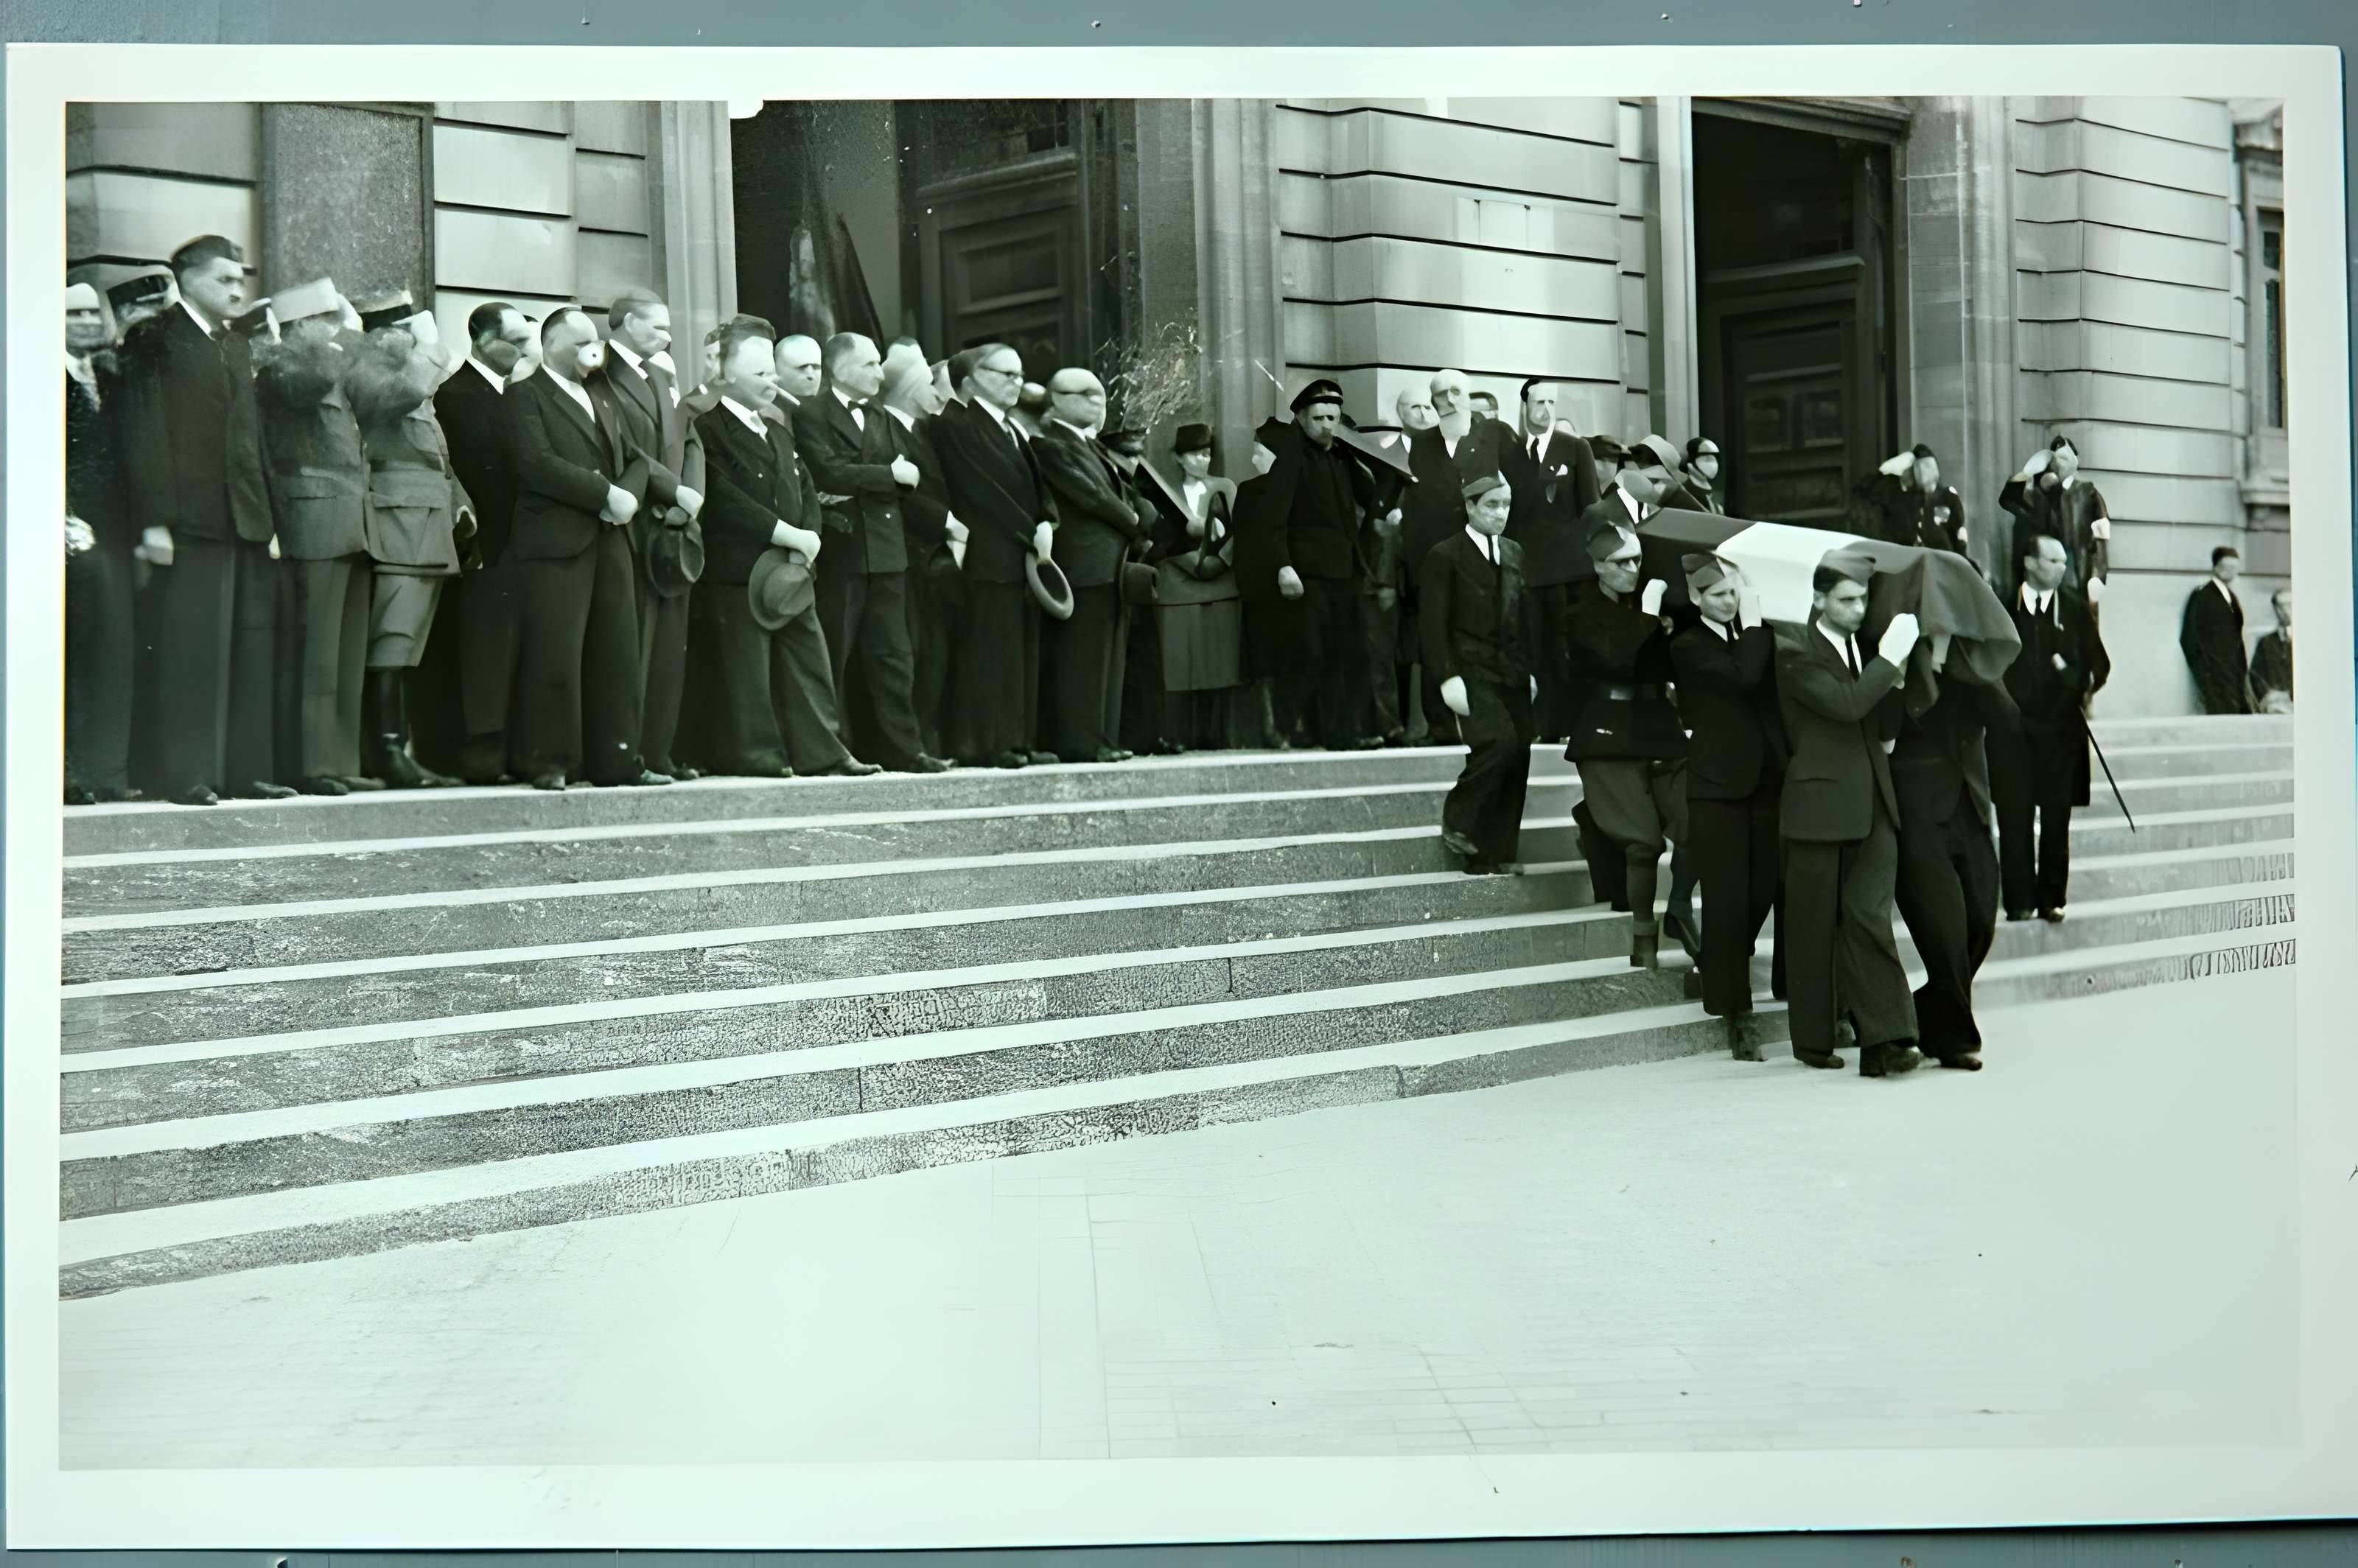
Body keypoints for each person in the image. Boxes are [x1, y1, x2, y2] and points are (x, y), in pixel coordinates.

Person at [112, 234, 290, 806]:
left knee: (248, 648)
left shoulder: (235, 344)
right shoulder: (154, 338)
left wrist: (269, 519)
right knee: (191, 649)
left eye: (241, 279)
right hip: (189, 518)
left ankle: (244, 771)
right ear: (185, 278)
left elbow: (251, 438)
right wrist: (156, 520)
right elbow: (143, 433)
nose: (236, 288)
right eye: (223, 278)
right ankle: (185, 773)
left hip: (244, 519)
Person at [688, 316, 875, 779]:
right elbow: (725, 498)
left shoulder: (778, 431)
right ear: (727, 375)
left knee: (809, 658)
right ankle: (760, 755)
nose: (771, 383)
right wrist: (784, 533)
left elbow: (805, 486)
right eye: (760, 375)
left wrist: (809, 535)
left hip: (791, 568)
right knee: (746, 668)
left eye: (772, 373)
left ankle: (825, 752)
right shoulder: (707, 429)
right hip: (741, 570)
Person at [504, 304, 677, 791]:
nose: (591, 350)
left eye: (593, 340)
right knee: (555, 652)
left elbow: (636, 458)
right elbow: (535, 463)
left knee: (617, 651)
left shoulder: (602, 396)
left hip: (609, 538)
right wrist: (604, 495)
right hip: (558, 540)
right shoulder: (525, 395)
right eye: (579, 341)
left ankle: (618, 759)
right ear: (551, 343)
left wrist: (627, 497)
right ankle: (552, 761)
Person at [1777, 551, 1924, 1077]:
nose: (1858, 608)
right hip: (1819, 803)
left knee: (1868, 913)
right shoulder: (1794, 650)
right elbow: (1845, 704)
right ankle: (1814, 1040)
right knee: (1814, 924)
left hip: (1872, 799)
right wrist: (1889, 662)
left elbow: (1877, 719)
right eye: (1847, 599)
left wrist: (1896, 677)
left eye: (1863, 599)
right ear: (1819, 600)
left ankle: (1890, 1038)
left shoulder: (1863, 648)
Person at [796, 332, 950, 773]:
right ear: (840, 368)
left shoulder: (880, 416)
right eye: (870, 365)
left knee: (893, 655)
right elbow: (826, 471)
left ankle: (904, 749)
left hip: (886, 550)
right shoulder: (810, 412)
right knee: (836, 651)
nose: (880, 374)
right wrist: (887, 474)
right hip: (844, 549)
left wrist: (882, 476)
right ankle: (831, 749)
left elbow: (910, 477)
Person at [252, 278, 379, 797]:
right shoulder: (283, 366)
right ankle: (311, 763)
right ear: (300, 325)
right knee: (318, 652)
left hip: (346, 518)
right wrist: (348, 335)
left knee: (345, 654)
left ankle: (338, 760)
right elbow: (311, 382)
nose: (334, 330)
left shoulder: (324, 363)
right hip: (313, 519)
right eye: (324, 320)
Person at [345, 295, 471, 788]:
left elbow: (436, 457)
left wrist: (461, 502)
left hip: (425, 527)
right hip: (398, 527)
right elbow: (407, 392)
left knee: (407, 647)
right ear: (380, 335)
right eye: (406, 328)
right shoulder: (370, 373)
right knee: (390, 646)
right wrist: (432, 346)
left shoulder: (404, 379)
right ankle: (388, 754)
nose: (416, 337)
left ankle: (399, 752)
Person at [1666, 555, 1787, 1057]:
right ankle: (1737, 1013)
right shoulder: (1689, 645)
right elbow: (1742, 679)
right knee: (1727, 898)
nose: (1730, 601)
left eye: (1733, 592)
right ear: (1696, 599)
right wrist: (1756, 626)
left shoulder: (1750, 639)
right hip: (1717, 789)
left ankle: (1722, 963)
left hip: (1763, 783)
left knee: (1761, 891)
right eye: (1717, 595)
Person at [1564, 519, 1691, 970]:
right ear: (1599, 566)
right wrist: (1649, 617)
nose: (1633, 569)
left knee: (1699, 827)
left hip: (1659, 726)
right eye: (1621, 562)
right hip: (1608, 734)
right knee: (1643, 845)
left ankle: (1678, 910)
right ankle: (1644, 940)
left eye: (1637, 559)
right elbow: (1616, 660)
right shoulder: (1581, 612)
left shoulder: (1653, 602)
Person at [930, 341, 1060, 769]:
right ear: (971, 381)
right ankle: (988, 742)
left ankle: (1019, 738)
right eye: (1005, 374)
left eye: (1019, 375)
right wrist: (1030, 533)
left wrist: (1047, 521)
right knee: (990, 651)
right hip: (990, 554)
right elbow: (981, 489)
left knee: (1020, 651)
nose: (1016, 383)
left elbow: (1037, 486)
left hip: (1021, 553)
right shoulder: (957, 424)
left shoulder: (1013, 427)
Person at [1890, 630, 2015, 1071]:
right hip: (1916, 813)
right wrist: (1918, 662)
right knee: (1943, 930)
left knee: (1981, 920)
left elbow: (2007, 718)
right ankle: (1956, 1039)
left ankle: (1925, 1012)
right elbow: (1901, 716)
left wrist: (1975, 666)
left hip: (1969, 807)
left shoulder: (1970, 662)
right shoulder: (1894, 650)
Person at [601, 288, 709, 780]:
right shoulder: (602, 372)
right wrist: (673, 492)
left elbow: (689, 438)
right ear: (625, 323)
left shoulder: (664, 373)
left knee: (670, 643)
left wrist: (694, 495)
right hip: (640, 520)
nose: (668, 337)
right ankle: (633, 753)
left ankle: (660, 750)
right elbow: (621, 446)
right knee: (636, 643)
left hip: (677, 525)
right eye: (658, 327)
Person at [1032, 367, 1156, 763]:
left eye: (1100, 394)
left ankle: (1102, 735)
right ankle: (1079, 740)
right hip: (1082, 563)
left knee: (1108, 657)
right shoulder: (1051, 443)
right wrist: (1134, 524)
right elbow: (1090, 497)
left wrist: (1140, 520)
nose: (1097, 401)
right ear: (1057, 399)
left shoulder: (1091, 445)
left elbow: (1123, 492)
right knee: (1082, 658)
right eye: (1085, 393)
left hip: (1109, 563)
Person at [433, 300, 534, 783]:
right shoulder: (457, 395)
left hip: (515, 544)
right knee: (483, 653)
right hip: (487, 543)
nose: (522, 348)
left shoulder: (510, 393)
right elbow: (480, 473)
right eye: (513, 340)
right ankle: (481, 753)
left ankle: (505, 748)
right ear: (482, 340)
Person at [1990, 533, 2109, 923]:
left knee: (2057, 819)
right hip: (2013, 733)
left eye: (2063, 562)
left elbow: (2100, 667)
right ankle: (2020, 902)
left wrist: (2070, 675)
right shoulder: (2002, 605)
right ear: (2029, 563)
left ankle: (2052, 899)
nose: (2061, 569)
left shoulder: (2074, 608)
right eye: (2053, 561)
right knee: (2014, 816)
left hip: (2060, 732)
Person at [1399, 369, 1522, 741]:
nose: (1450, 400)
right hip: (1433, 554)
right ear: (1433, 402)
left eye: (1456, 392)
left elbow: (1515, 492)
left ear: (1468, 396)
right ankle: (1440, 723)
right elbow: (1415, 504)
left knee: (1487, 626)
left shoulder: (1495, 436)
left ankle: (1493, 715)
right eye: (1441, 394)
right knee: (1434, 630)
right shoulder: (1422, 443)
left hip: (1484, 548)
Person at [1424, 472, 1535, 874]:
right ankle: (1459, 816)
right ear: (1470, 507)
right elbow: (1433, 624)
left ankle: (1497, 853)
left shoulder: (1515, 552)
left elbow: (1523, 617)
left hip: (1513, 670)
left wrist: (1531, 671)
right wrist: (1447, 676)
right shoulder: (1445, 555)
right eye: (1491, 505)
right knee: (1499, 743)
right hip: (1470, 668)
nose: (1500, 514)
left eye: (1506, 505)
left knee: (1519, 754)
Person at [1267, 380, 1383, 750]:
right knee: (1310, 652)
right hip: (1306, 573)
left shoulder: (1342, 457)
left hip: (1344, 569)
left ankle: (1342, 732)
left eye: (1333, 417)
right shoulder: (1290, 456)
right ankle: (1292, 728)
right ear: (1301, 418)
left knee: (1347, 651)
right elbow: (1274, 518)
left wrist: (1358, 453)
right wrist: (1284, 566)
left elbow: (1374, 496)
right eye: (1318, 418)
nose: (1327, 425)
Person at [875, 345, 968, 758]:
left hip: (935, 558)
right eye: (929, 383)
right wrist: (947, 523)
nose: (937, 392)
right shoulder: (885, 430)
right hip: (912, 557)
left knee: (935, 654)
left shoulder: (922, 431)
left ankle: (929, 737)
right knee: (916, 652)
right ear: (911, 387)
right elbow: (902, 496)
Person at [65, 280, 137, 805]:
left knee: (111, 651)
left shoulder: (104, 376)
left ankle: (104, 771)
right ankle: (67, 770)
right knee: (73, 654)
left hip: (110, 532)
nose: (89, 320)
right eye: (75, 312)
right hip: (68, 534)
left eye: (95, 312)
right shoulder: (45, 374)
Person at [1503, 377, 1600, 741]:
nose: (1546, 410)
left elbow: (1590, 508)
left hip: (1569, 573)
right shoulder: (1511, 454)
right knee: (1534, 650)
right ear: (1525, 406)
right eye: (1539, 402)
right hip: (1527, 571)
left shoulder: (1575, 449)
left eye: (1552, 403)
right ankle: (1543, 724)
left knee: (1567, 651)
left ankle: (1570, 723)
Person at [1154, 421, 1248, 749]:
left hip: (1222, 585)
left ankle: (1217, 736)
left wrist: (1220, 561)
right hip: (1177, 585)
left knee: (1219, 663)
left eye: (1206, 454)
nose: (1201, 461)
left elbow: (1243, 531)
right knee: (1179, 665)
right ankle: (1177, 735)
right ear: (1179, 459)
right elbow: (1160, 536)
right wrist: (1191, 562)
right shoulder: (1165, 493)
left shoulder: (1224, 487)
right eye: (1194, 455)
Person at [1998, 435, 2110, 604]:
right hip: (2043, 570)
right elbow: (2008, 499)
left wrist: (2099, 575)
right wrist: (2028, 471)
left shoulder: (2088, 493)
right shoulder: (2039, 494)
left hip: (2075, 568)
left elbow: (2102, 535)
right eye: (2055, 456)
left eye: (2065, 454)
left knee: (2077, 617)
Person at [2180, 545, 2253, 715]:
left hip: (2234, 672)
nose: (2231, 572)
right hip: (2213, 672)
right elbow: (2189, 637)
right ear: (2215, 568)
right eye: (2226, 567)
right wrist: (2204, 671)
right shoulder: (2203, 596)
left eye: (2235, 568)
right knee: (2221, 715)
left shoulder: (2231, 597)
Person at [2250, 587, 2292, 712]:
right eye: (2281, 606)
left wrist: (2290, 695)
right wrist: (2267, 695)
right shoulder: (2266, 643)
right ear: (2275, 609)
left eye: (2290, 605)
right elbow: (2255, 675)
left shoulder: (2306, 641)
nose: (2285, 611)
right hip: (2274, 706)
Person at [1680, 436, 1726, 515]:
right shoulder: (1684, 493)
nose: (1713, 465)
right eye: (1706, 460)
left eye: (1714, 459)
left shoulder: (1712, 496)